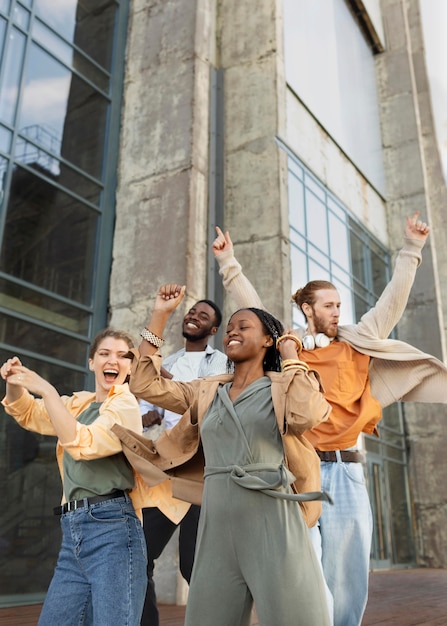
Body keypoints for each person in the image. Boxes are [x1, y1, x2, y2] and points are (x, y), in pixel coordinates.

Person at [211, 213, 447, 626]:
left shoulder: (358, 340)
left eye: (340, 305)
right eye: (330, 305)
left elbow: (393, 299)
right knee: (304, 565)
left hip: (347, 470)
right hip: (299, 468)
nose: (338, 311)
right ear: (308, 309)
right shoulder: (290, 345)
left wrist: (412, 248)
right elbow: (255, 309)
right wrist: (229, 264)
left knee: (348, 570)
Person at [113, 283, 334, 626]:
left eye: (243, 327)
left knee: (297, 618)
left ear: (267, 340)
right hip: (216, 523)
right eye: (229, 328)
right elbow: (144, 384)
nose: (232, 332)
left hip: (272, 518)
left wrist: (292, 356)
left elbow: (307, 414)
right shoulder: (208, 390)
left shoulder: (280, 386)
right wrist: (159, 315)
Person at [1, 329, 148, 626]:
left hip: (112, 530)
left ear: (131, 367)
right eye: (105, 354)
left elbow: (85, 443)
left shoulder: (125, 406)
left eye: (123, 356)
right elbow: (27, 411)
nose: (113, 361)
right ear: (92, 362)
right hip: (73, 532)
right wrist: (15, 382)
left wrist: (48, 391)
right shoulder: (79, 405)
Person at [138, 298, 227, 626]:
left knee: (193, 566)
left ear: (213, 329)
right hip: (169, 474)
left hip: (204, 475)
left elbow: (204, 400)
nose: (194, 316)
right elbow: (152, 414)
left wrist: (165, 380)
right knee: (140, 557)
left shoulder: (222, 362)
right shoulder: (171, 359)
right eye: (191, 312)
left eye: (203, 315)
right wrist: (147, 416)